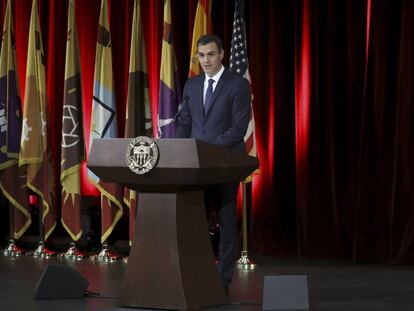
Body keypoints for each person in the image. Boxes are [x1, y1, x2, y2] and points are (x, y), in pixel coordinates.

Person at [175, 34, 251, 294]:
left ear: (221, 55)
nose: (205, 60)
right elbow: (185, 122)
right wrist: (177, 151)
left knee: (227, 223)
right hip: (195, 168)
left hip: (224, 165)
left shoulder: (238, 84)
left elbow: (238, 128)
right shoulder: (192, 85)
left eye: (210, 54)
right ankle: (198, 276)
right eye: (201, 55)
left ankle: (223, 283)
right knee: (194, 224)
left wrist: (205, 149)